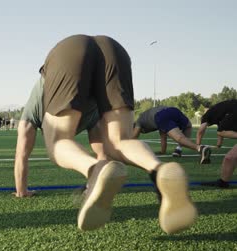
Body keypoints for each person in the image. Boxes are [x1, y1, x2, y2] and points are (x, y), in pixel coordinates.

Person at [13, 35, 196, 234]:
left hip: (70, 50)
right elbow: (105, 155)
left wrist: (22, 192)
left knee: (58, 141)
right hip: (114, 50)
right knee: (119, 142)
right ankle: (159, 170)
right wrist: (100, 178)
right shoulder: (90, 113)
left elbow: (22, 152)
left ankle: (94, 172)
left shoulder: (30, 112)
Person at [133, 106, 211, 163]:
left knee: (179, 137)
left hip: (161, 115)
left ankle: (200, 148)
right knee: (188, 126)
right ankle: (178, 149)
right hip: (173, 110)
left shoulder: (138, 122)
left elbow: (133, 138)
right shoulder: (153, 120)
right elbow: (163, 137)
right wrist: (162, 151)